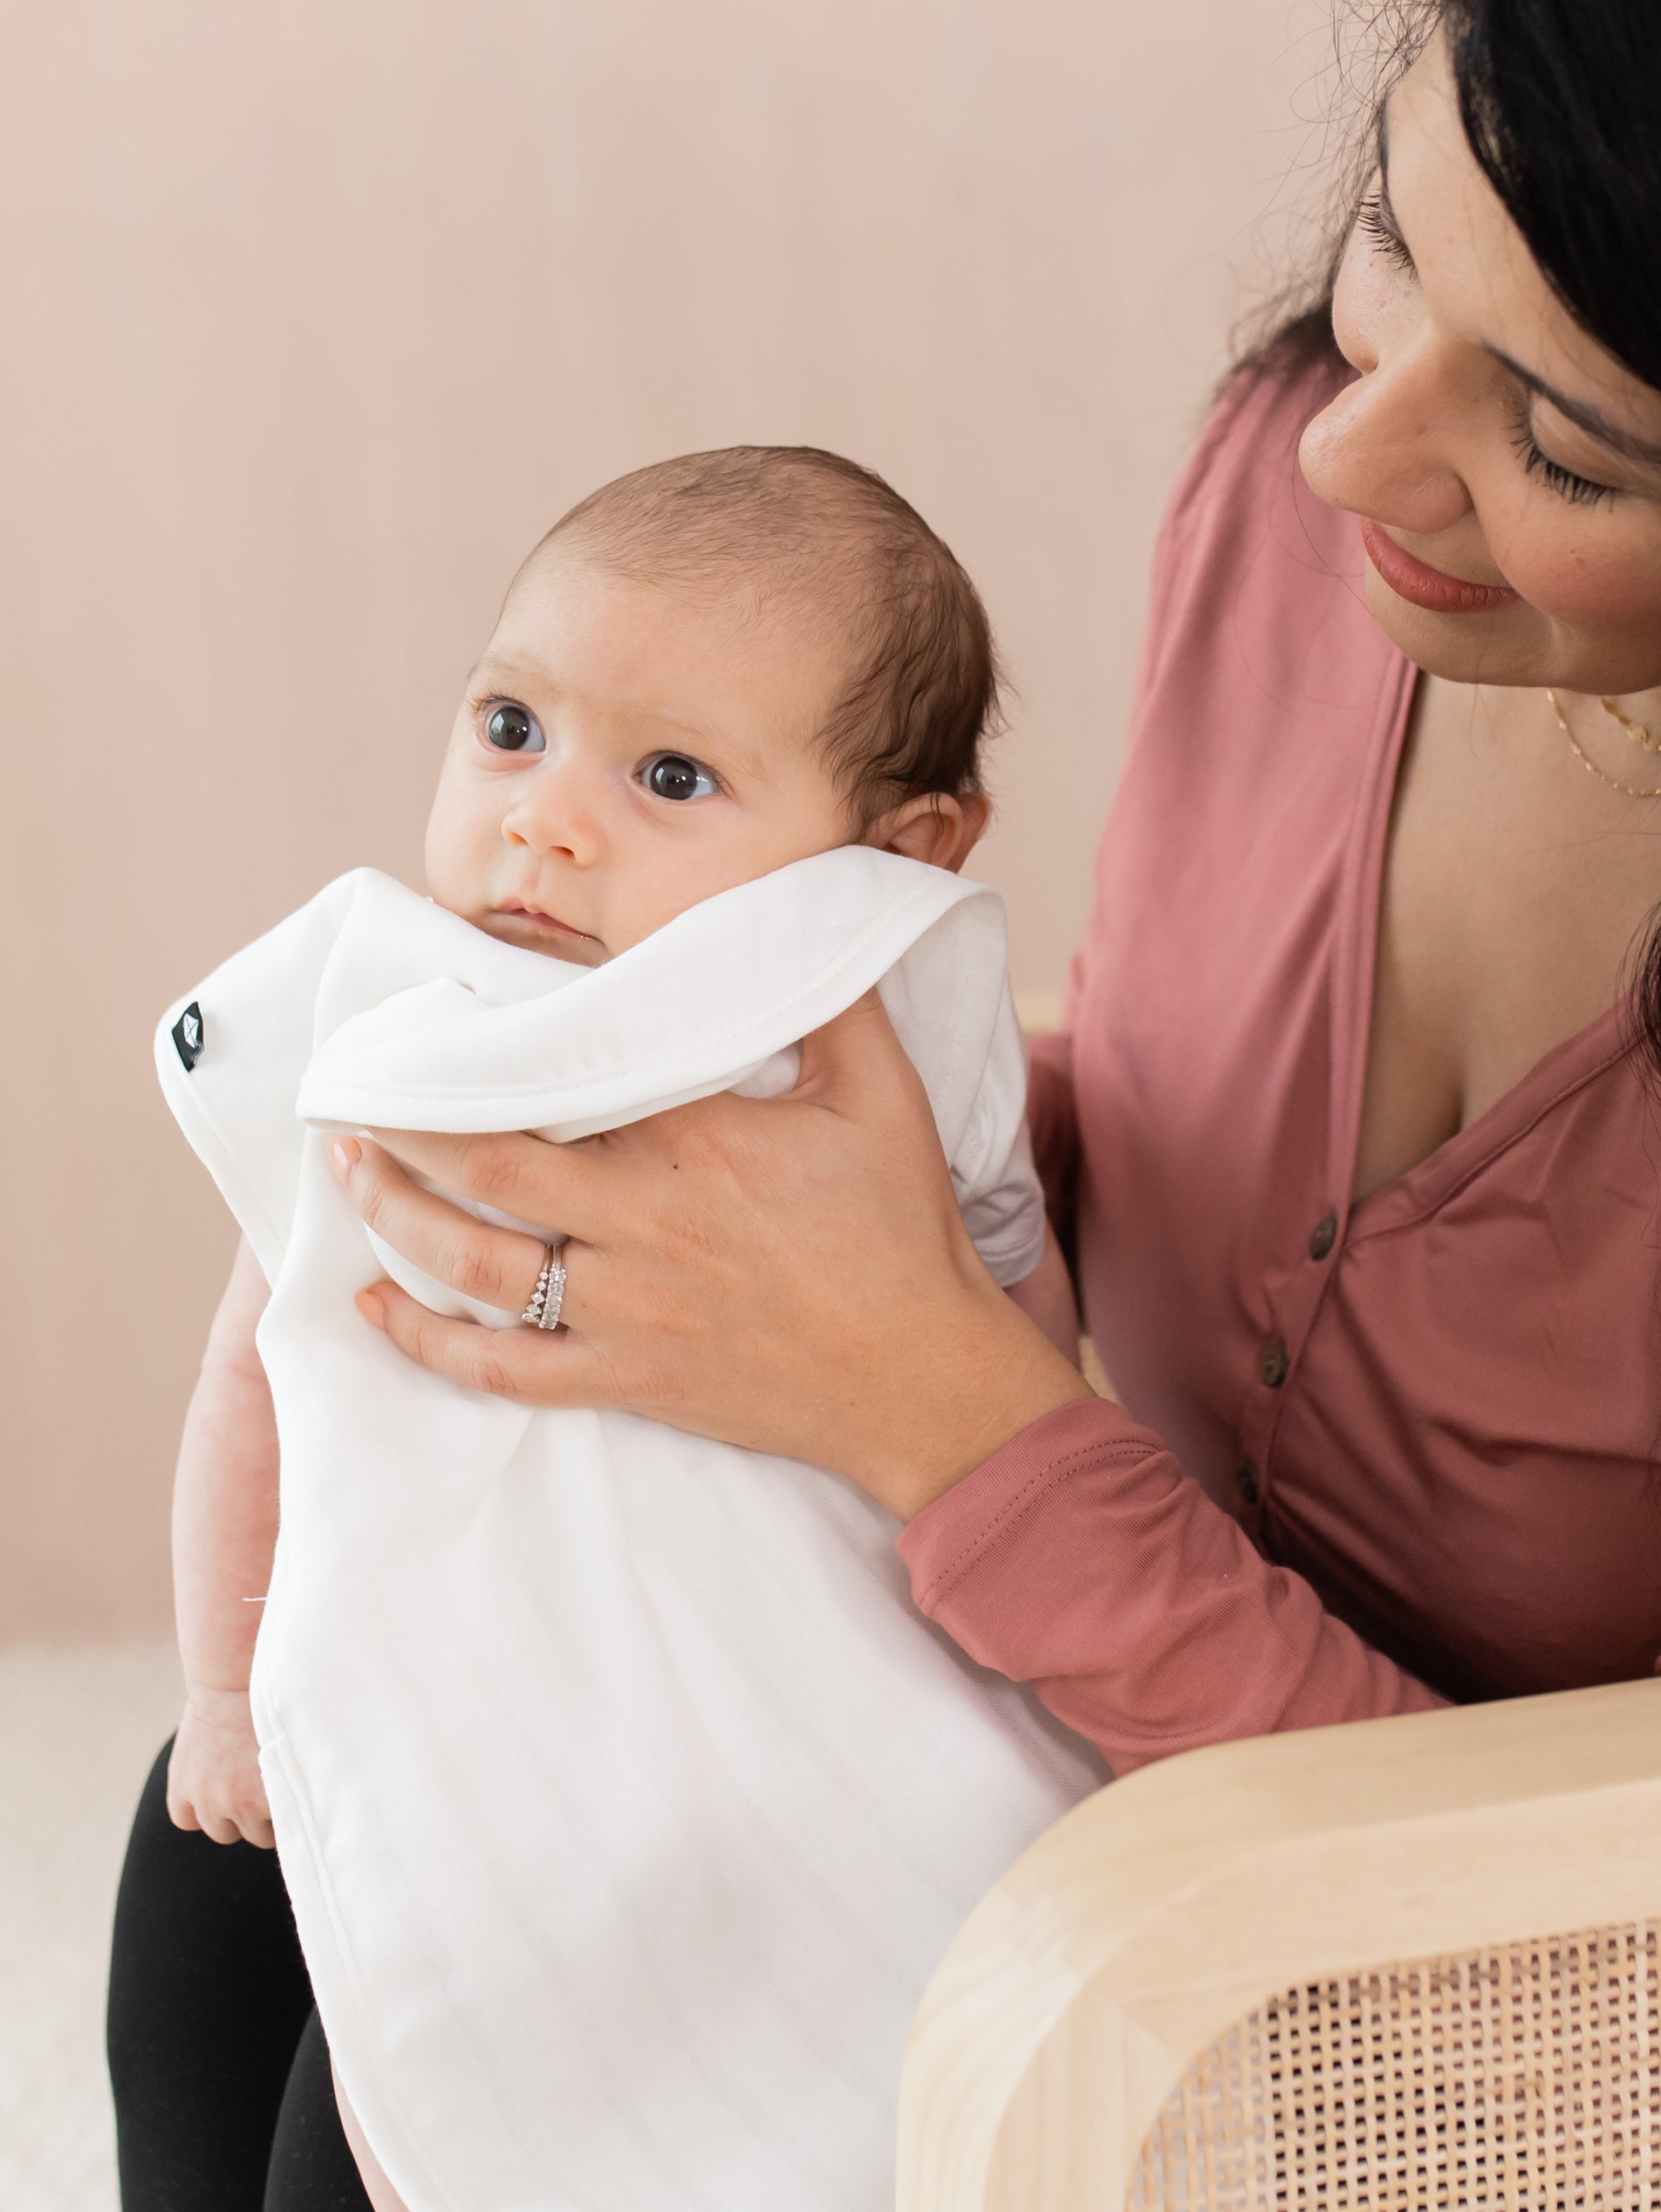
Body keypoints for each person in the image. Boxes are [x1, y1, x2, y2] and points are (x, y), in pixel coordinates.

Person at [120, 0, 1661, 2204]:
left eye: (1556, 428)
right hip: (1059, 1677)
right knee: (255, 1858)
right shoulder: (1308, 523)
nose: (1346, 438)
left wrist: (943, 1416)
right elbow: (1187, 1098)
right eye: (1393, 238)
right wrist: (779, 1128)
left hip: (1457, 2011)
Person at [112, 446, 1085, 2212]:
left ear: (897, 850)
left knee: (492, 2056)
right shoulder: (399, 1029)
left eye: (671, 775)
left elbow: (1027, 1381)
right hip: (438, 1697)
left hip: (756, 1728)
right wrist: (218, 1686)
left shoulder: (883, 1055)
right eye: (510, 728)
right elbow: (252, 1385)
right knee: (206, 1901)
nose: (546, 818)